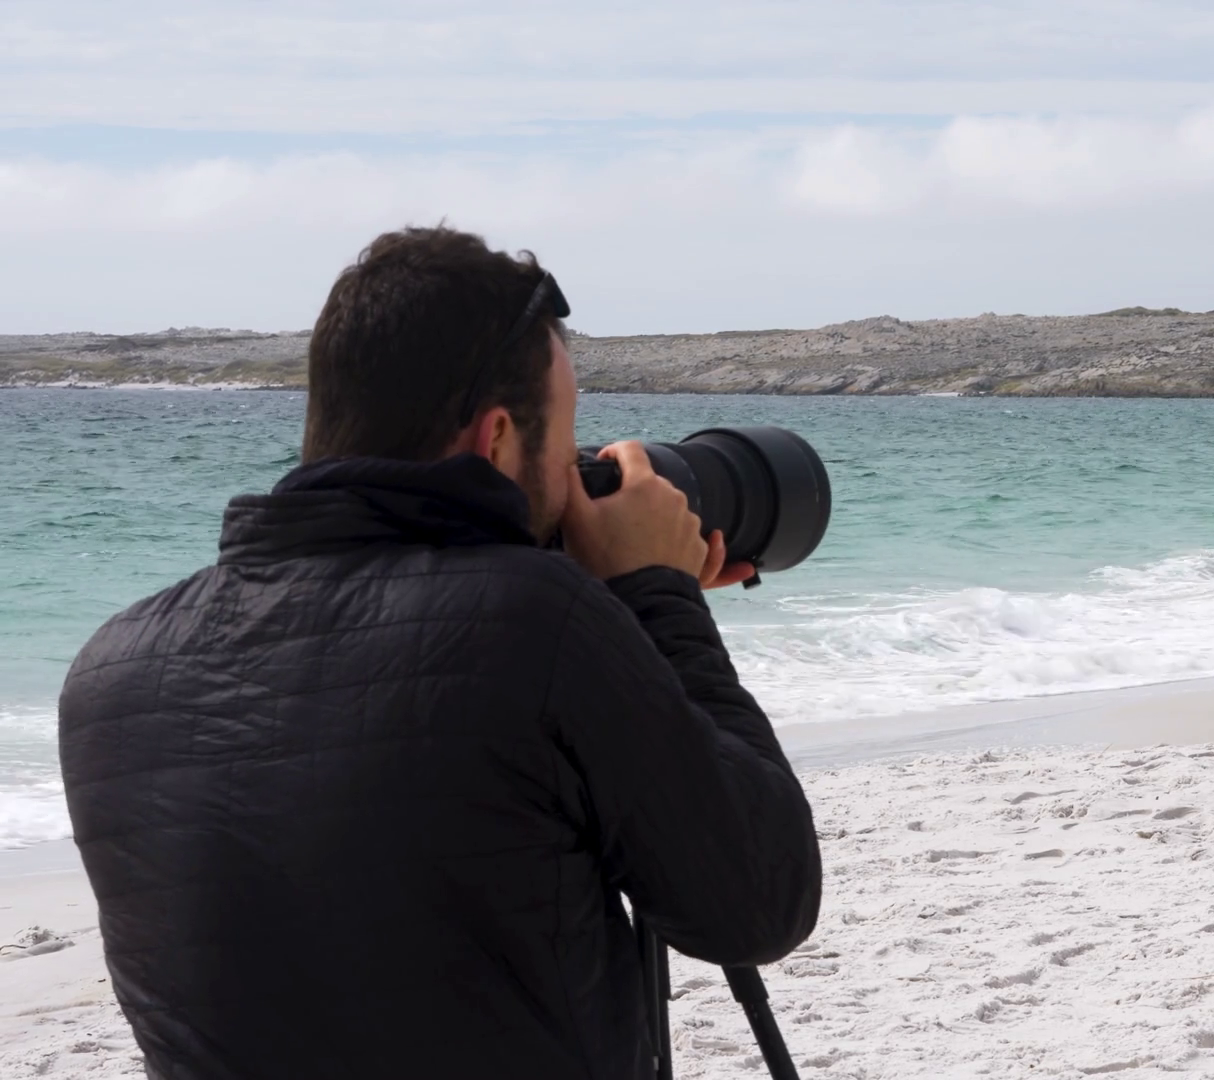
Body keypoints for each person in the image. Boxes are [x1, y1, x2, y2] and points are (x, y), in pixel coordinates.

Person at [57, 226, 822, 1080]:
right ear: (495, 440)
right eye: (567, 442)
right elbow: (760, 903)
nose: (577, 475)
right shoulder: (537, 623)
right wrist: (655, 595)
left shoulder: (108, 673)